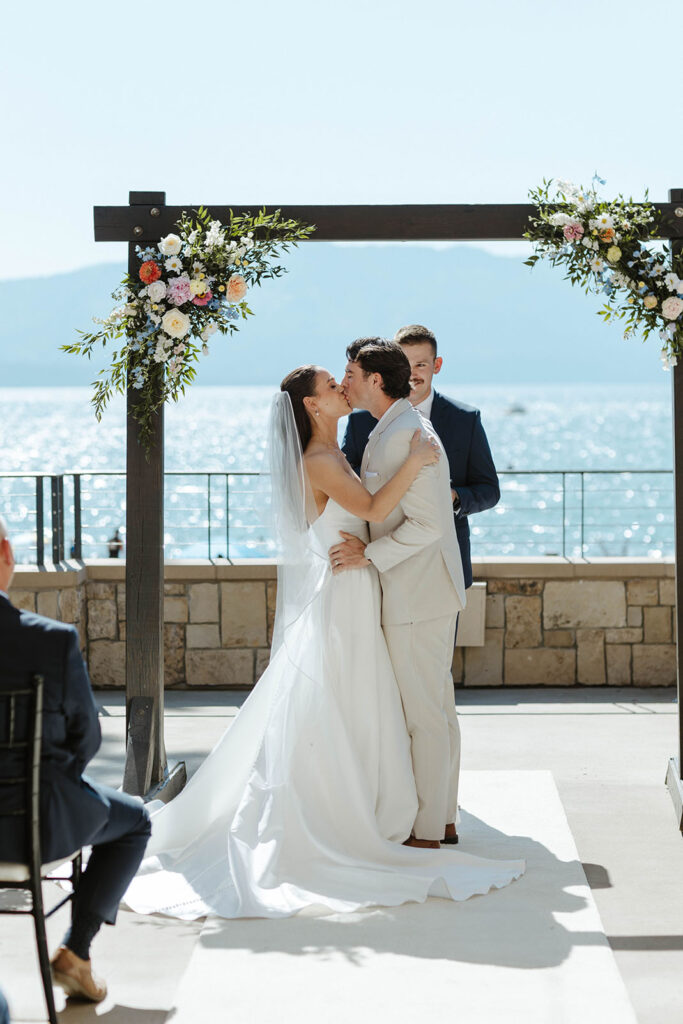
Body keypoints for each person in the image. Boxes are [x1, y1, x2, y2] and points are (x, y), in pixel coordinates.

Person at [123, 365, 523, 920]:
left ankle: (372, 805)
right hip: (344, 593)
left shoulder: (337, 453)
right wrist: (417, 461)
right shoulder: (318, 461)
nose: (341, 388)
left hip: (357, 588)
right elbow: (376, 511)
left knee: (358, 703)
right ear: (312, 407)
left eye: (345, 380)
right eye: (331, 387)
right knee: (347, 700)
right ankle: (346, 815)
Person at [0, 515, 151, 1003]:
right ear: (6, 553)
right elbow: (85, 740)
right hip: (33, 826)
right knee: (136, 822)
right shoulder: (49, 641)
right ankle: (76, 951)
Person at [333, 341, 465, 847]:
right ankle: (444, 818)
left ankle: (429, 830)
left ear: (374, 381)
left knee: (425, 717)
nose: (345, 382)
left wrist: (370, 556)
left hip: (416, 595)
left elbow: (429, 526)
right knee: (437, 711)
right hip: (424, 591)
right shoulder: (396, 426)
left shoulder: (404, 434)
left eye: (350, 373)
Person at [342, 325, 500, 593]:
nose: (412, 374)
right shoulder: (360, 421)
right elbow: (349, 479)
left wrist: (452, 497)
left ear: (436, 365)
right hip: (382, 559)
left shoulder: (465, 420)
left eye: (421, 364)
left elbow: (489, 490)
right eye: (404, 363)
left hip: (445, 563)